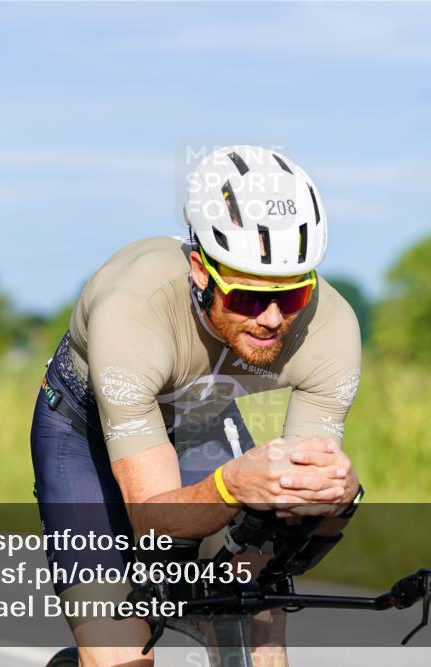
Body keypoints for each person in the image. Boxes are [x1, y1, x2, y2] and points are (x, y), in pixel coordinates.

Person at [30, 145, 363, 667]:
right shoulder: (133, 312)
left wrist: (333, 502)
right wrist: (231, 485)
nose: (274, 319)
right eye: (250, 298)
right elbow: (154, 519)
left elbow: (290, 522)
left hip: (202, 422)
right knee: (123, 657)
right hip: (84, 437)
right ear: (200, 271)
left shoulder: (332, 328)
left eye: (292, 296)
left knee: (258, 611)